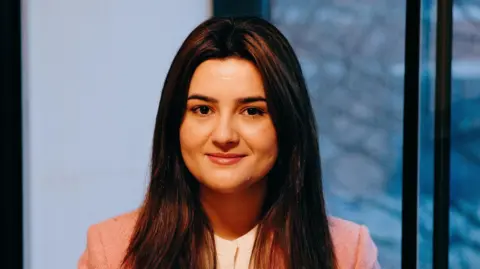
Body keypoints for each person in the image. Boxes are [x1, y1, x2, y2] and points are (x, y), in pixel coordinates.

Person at [77, 16, 380, 269]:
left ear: (288, 125)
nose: (224, 136)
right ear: (175, 124)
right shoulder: (111, 252)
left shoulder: (347, 253)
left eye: (251, 111)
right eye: (203, 110)